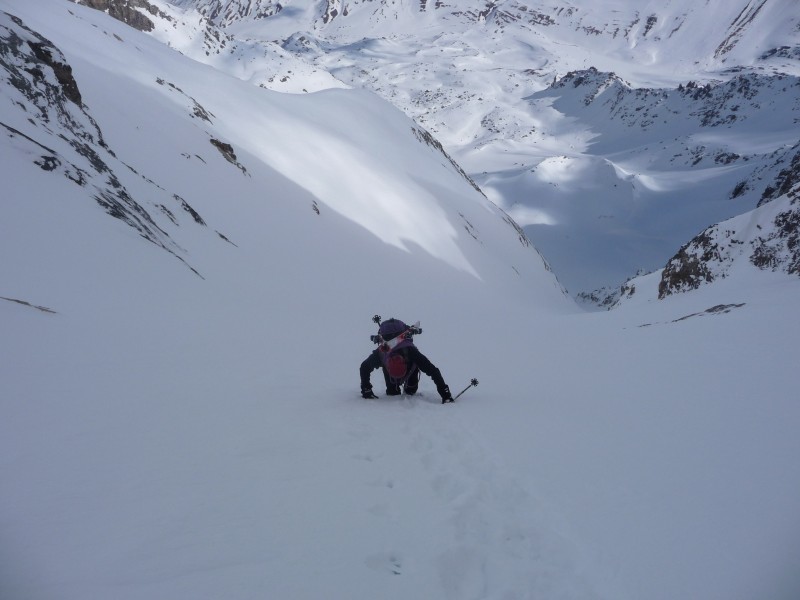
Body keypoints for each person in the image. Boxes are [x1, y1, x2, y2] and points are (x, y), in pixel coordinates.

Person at [360, 317, 452, 402]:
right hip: (410, 371)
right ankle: (409, 395)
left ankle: (394, 397)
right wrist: (445, 394)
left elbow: (364, 367)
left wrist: (366, 390)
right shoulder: (410, 350)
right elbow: (433, 371)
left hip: (390, 375)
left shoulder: (383, 352)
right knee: (411, 393)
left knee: (392, 395)